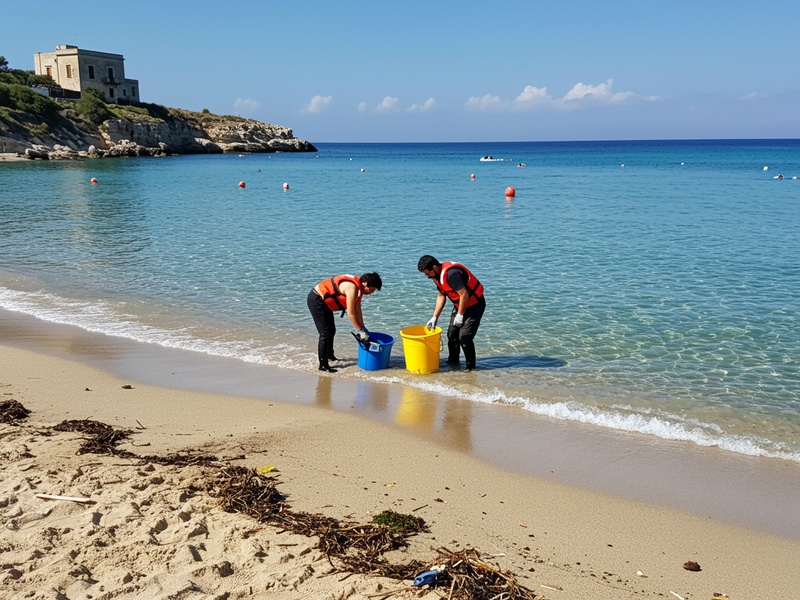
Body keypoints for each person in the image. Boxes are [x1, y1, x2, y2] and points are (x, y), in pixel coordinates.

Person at [417, 255, 486, 370]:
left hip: (474, 306)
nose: (427, 276)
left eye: (427, 273)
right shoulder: (437, 276)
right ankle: (453, 363)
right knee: (452, 335)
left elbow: (464, 294)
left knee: (465, 337)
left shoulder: (452, 274)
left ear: (434, 267)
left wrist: (460, 315)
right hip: (459, 305)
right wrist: (435, 317)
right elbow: (441, 295)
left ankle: (471, 368)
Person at [307, 272, 382, 373]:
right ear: (365, 283)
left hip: (325, 302)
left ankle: (330, 356)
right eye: (372, 289)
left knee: (331, 331)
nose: (372, 292)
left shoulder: (359, 289)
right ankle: (323, 365)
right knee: (326, 333)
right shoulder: (352, 288)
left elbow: (358, 311)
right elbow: (351, 314)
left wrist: (363, 328)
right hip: (317, 299)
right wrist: (360, 330)